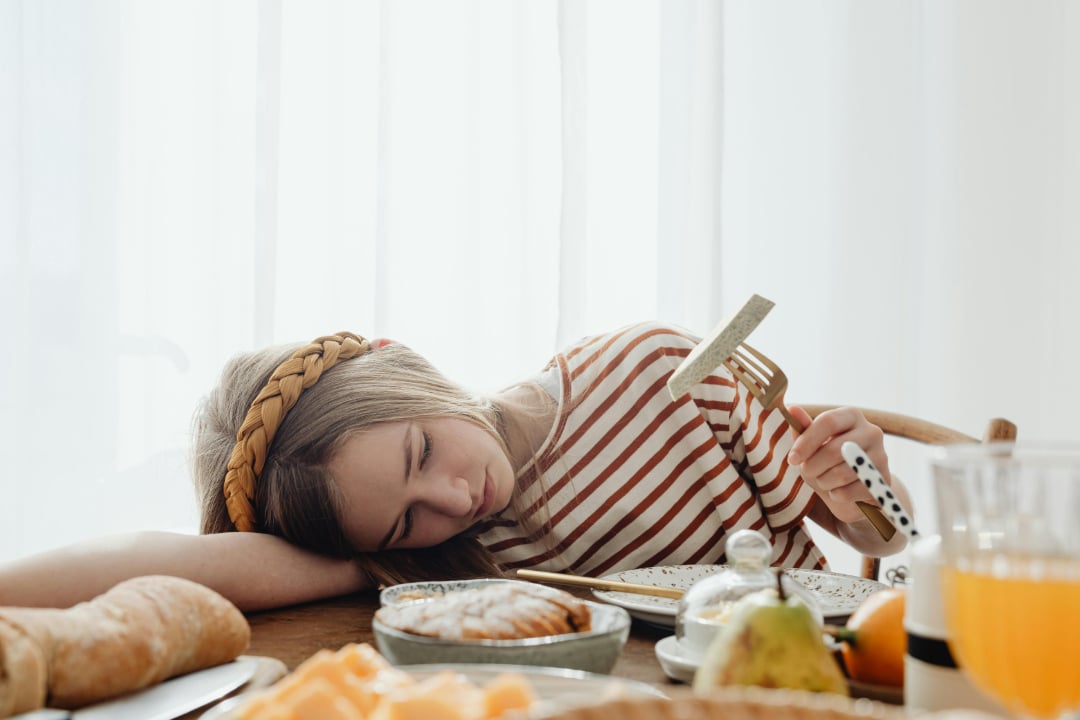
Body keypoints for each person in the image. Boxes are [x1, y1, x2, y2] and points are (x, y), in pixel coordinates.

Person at [0, 323, 911, 612]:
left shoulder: (659, 369)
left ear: (407, 365)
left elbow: (875, 537)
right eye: (404, 517)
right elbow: (166, 563)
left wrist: (861, 486)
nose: (453, 499)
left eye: (421, 451)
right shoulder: (438, 564)